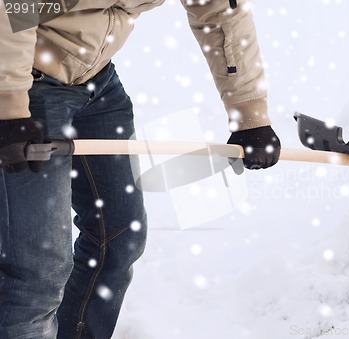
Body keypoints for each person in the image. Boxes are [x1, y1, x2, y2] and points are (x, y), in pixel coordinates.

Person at [0, 0, 280, 337]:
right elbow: (12, 9)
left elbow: (220, 10)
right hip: (23, 75)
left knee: (118, 238)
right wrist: (10, 107)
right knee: (38, 270)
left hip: (96, 80)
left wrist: (249, 114)